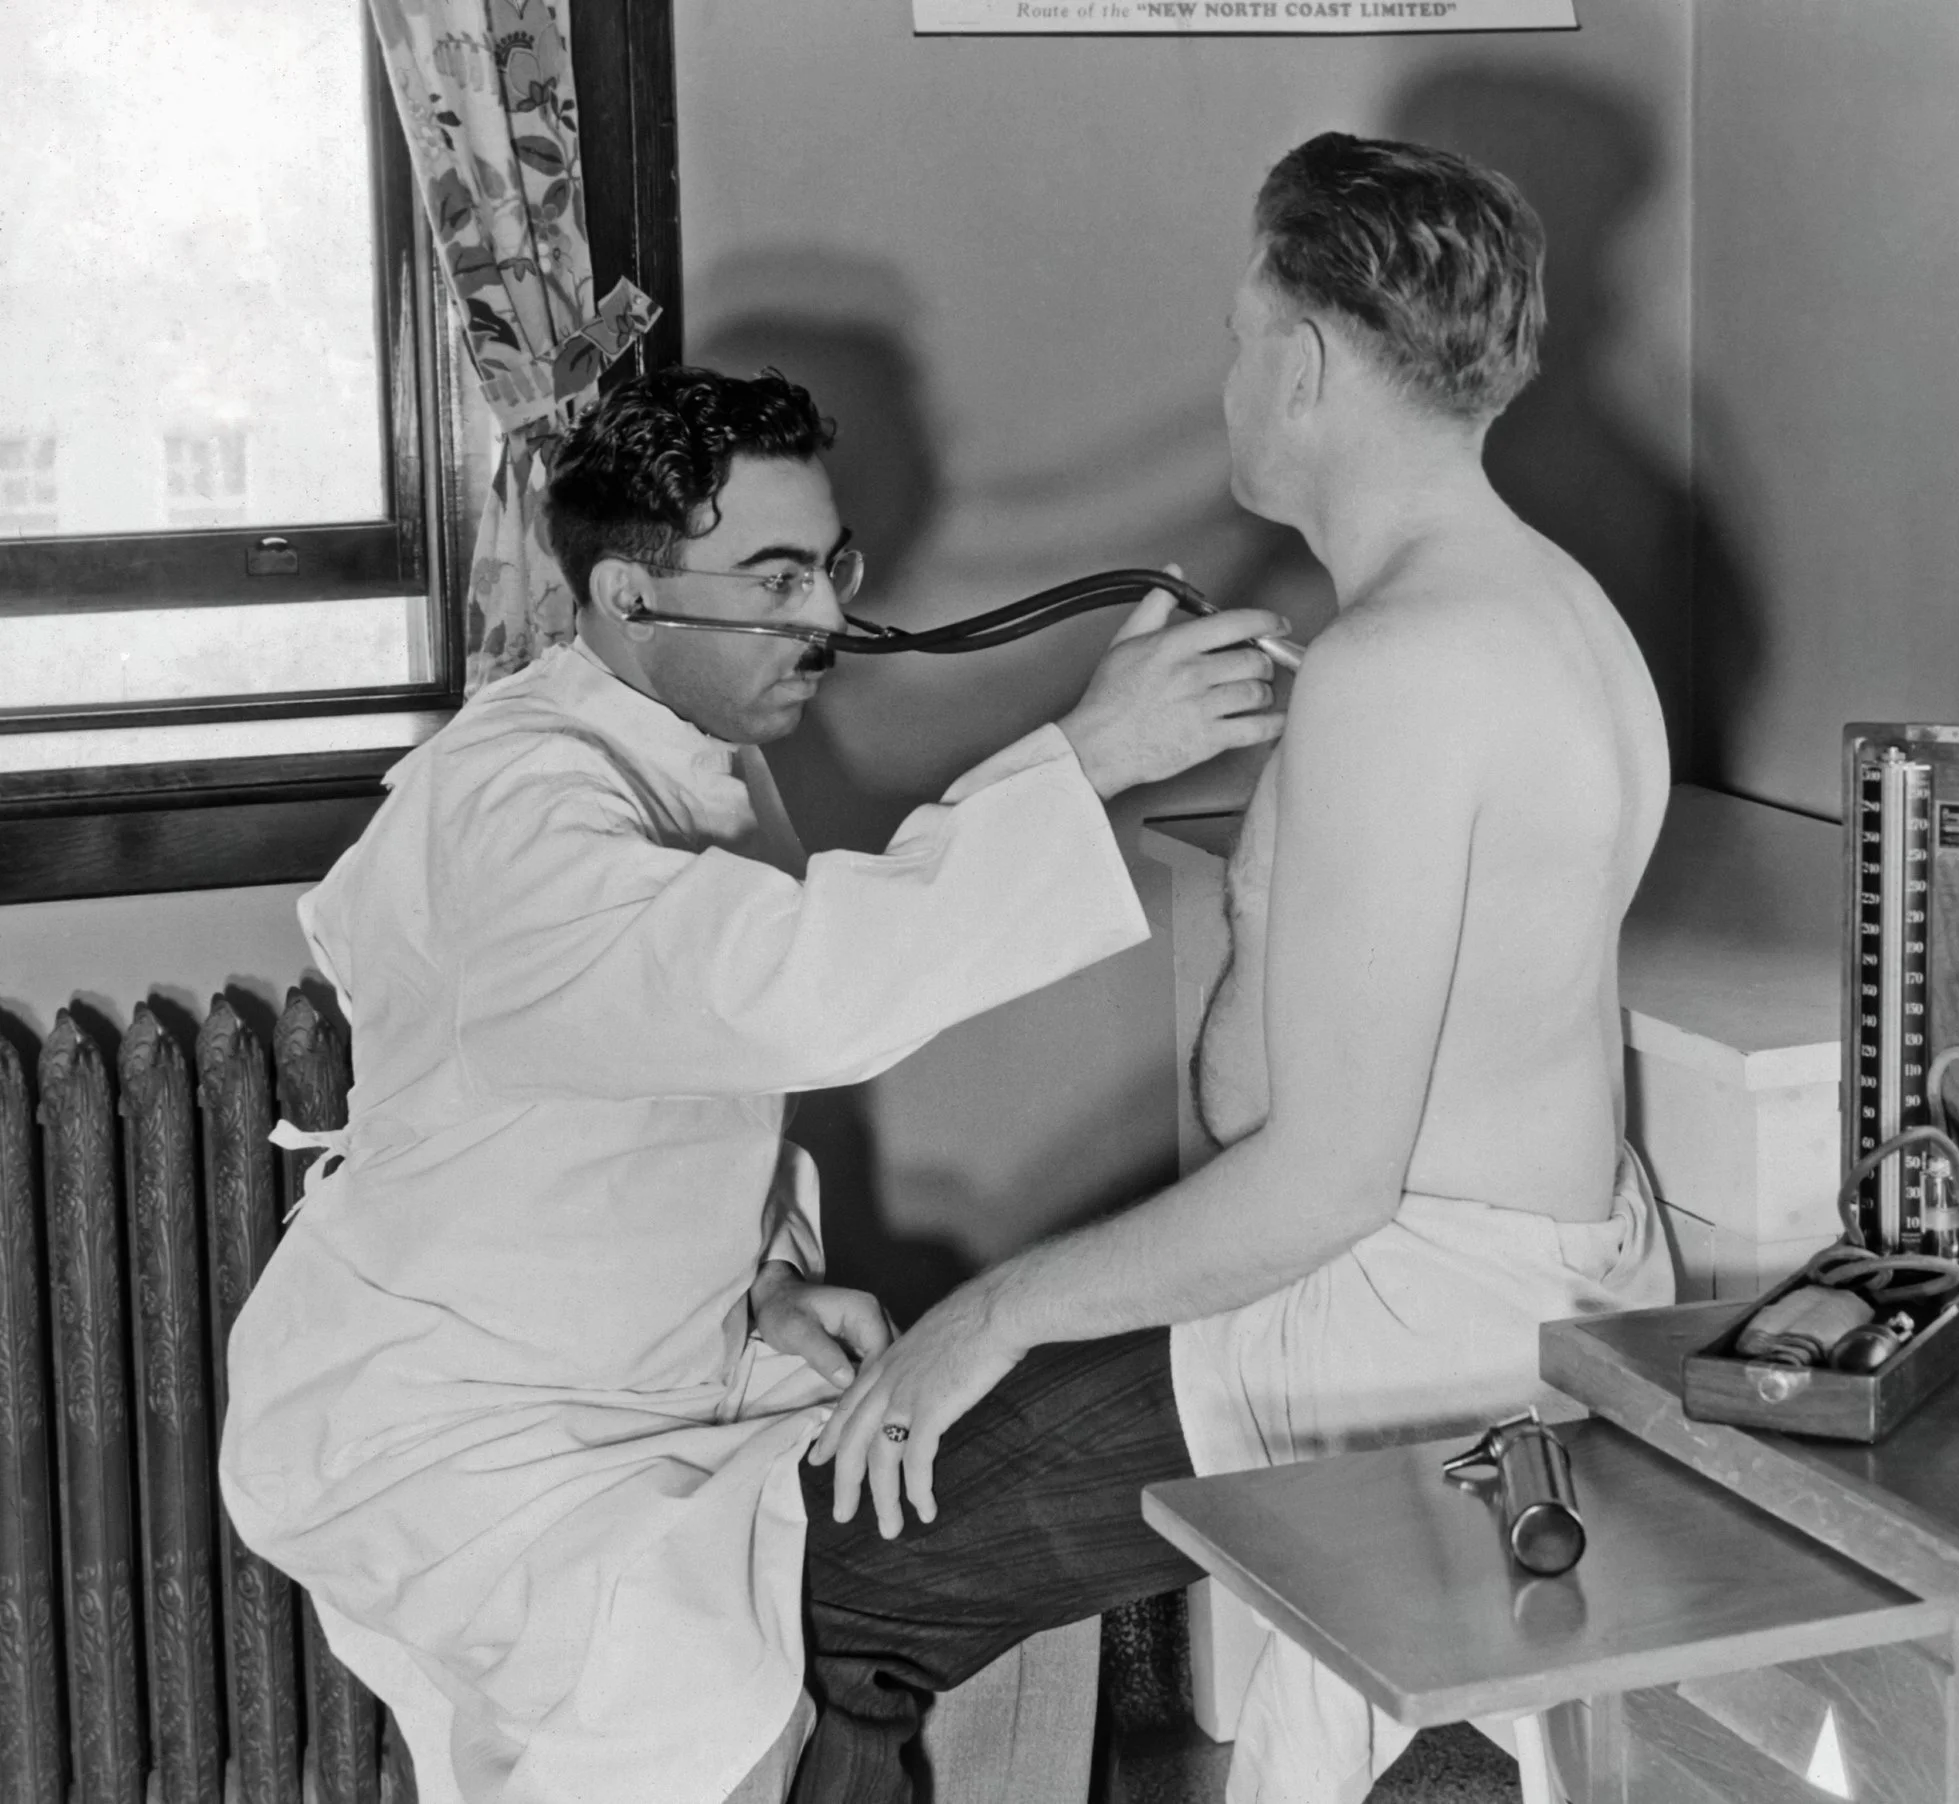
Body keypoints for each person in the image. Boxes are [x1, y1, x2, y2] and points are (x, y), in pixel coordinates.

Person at [216, 366, 1290, 1804]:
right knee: (767, 1656)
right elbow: (793, 995)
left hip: (637, 1369)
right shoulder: (513, 816)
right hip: (470, 1437)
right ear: (628, 595)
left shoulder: (686, 759)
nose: (830, 616)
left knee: (897, 1560)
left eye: (830, 563)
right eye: (775, 577)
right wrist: (1089, 755)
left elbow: (668, 1075)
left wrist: (766, 1288)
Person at [801, 131, 1680, 1803]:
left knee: (844, 1573)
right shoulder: (1551, 609)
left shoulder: (1403, 671)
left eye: (1235, 336)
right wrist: (1280, 875)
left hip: (1401, 1320)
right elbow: (1283, 1082)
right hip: (1526, 1285)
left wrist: (977, 1323)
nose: (1227, 377)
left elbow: (1317, 1184)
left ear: (1305, 361)